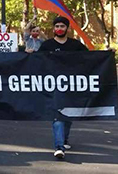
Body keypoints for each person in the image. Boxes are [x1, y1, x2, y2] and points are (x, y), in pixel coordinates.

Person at [38, 16, 88, 160]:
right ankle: (59, 147)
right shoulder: (47, 45)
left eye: (62, 26)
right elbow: (36, 62)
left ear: (67, 28)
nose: (59, 29)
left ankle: (64, 140)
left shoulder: (75, 45)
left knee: (68, 116)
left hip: (72, 87)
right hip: (53, 87)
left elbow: (91, 58)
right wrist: (29, 54)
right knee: (58, 115)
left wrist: (108, 53)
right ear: (53, 29)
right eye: (57, 26)